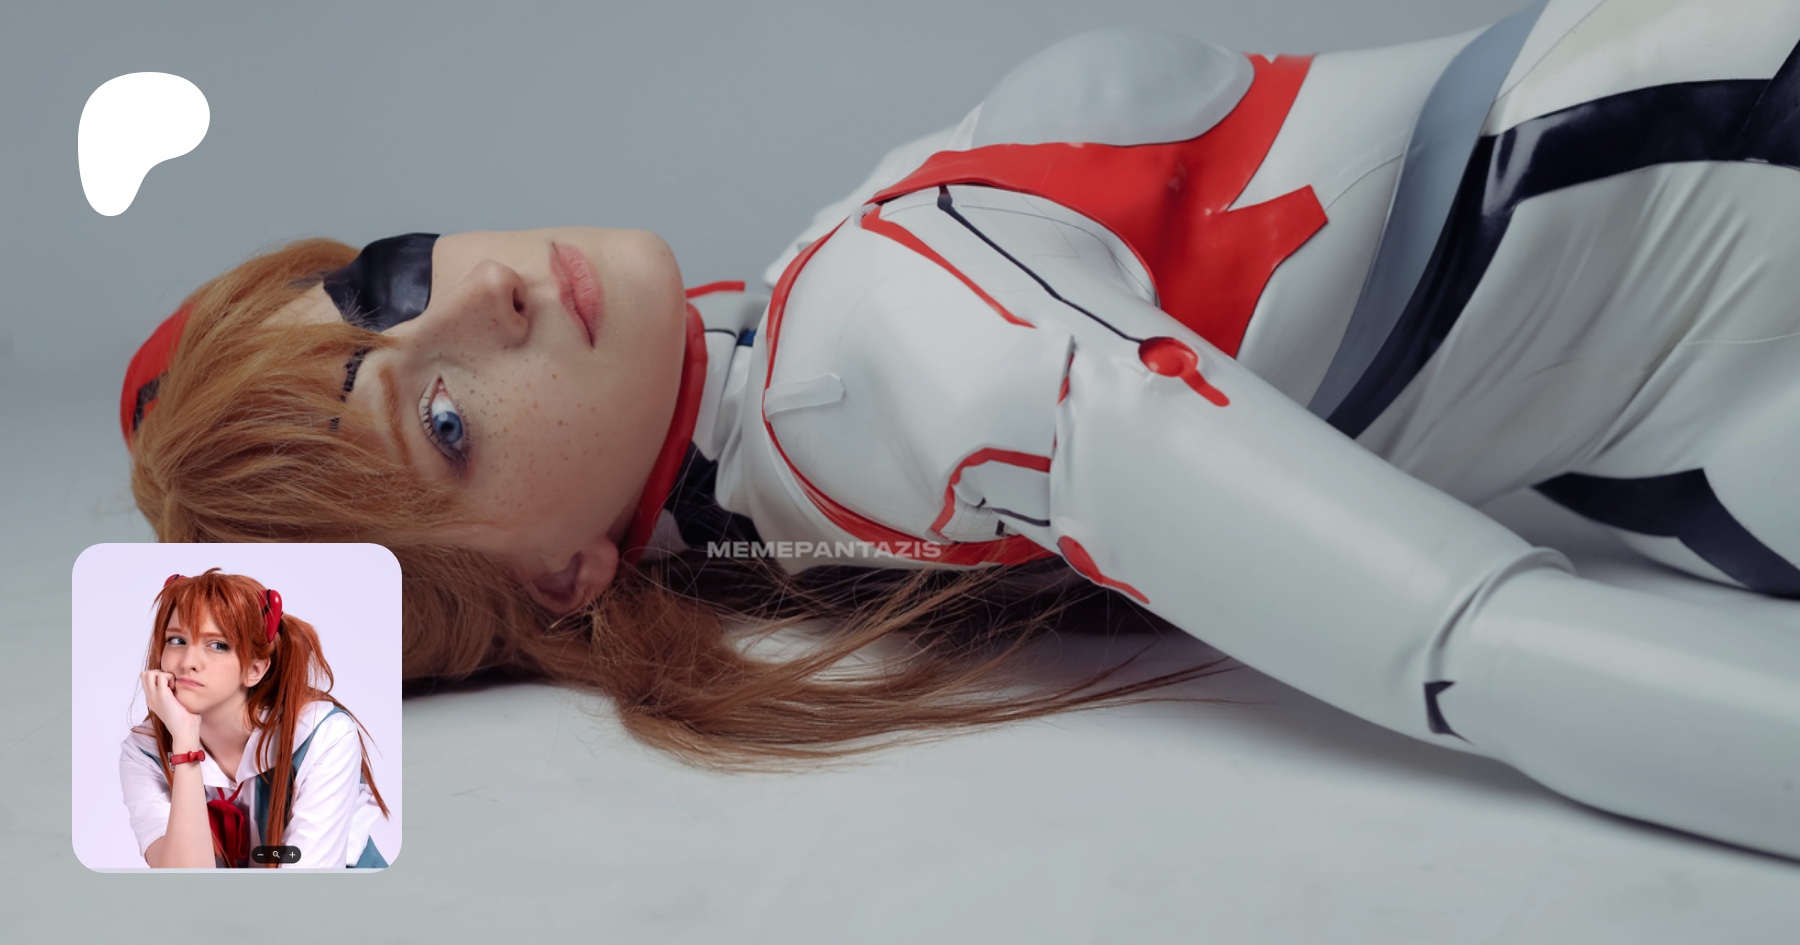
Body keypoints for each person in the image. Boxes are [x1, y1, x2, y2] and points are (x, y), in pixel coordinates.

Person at [120, 0, 1800, 858]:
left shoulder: (798, 435)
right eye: (445, 423)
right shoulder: (867, 355)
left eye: (387, 277)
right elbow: (1471, 646)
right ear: (562, 576)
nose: (480, 298)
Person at [120, 569, 391, 868]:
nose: (188, 662)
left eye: (218, 645)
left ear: (254, 669)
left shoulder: (321, 736)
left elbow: (307, 887)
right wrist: (185, 742)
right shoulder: (144, 750)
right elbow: (184, 884)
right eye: (176, 640)